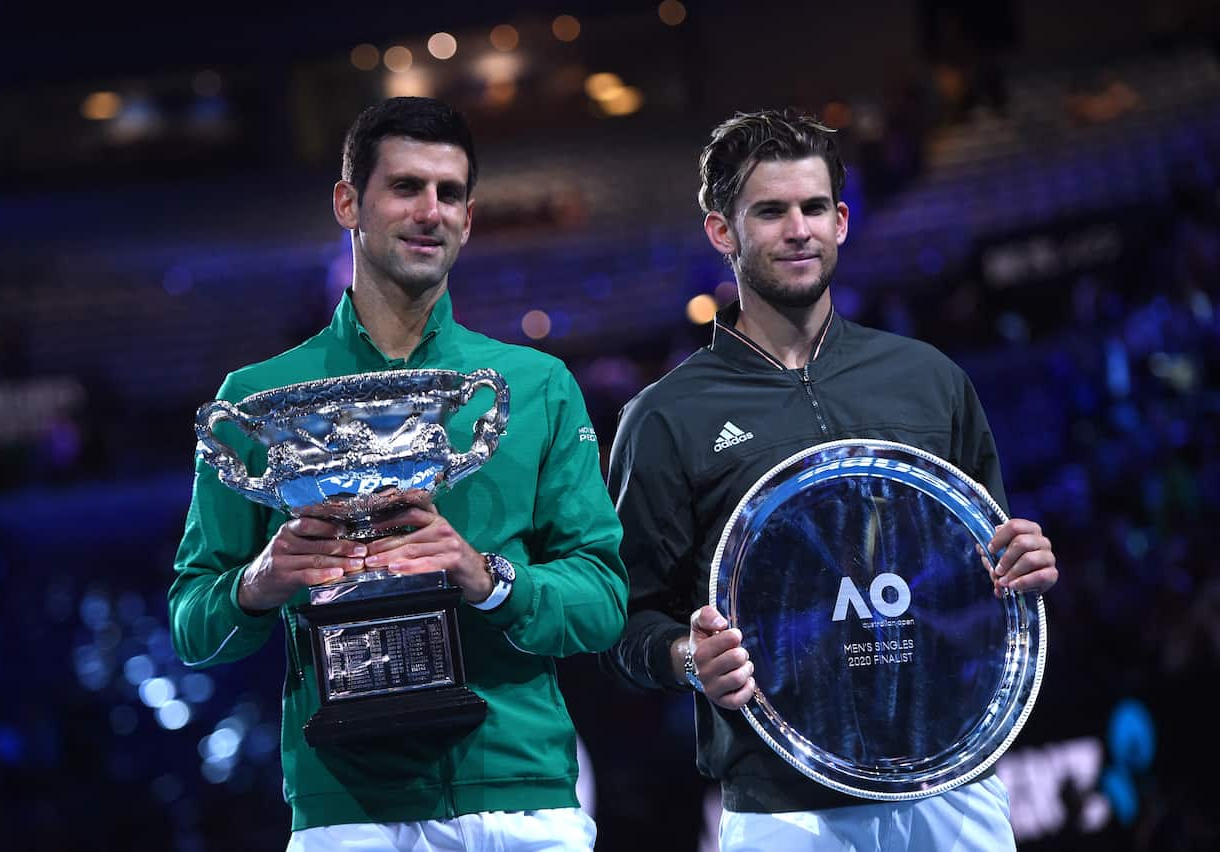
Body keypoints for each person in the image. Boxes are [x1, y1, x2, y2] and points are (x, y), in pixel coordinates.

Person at [169, 97, 627, 852]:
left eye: (450, 194)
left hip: (522, 796)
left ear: (470, 219)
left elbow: (604, 598)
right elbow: (193, 621)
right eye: (406, 187)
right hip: (346, 805)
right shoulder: (258, 401)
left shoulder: (533, 386)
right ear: (349, 202)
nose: (431, 211)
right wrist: (262, 580)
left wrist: (488, 578)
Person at [604, 109, 1058, 851]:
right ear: (724, 232)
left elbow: (983, 567)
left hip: (955, 787)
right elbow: (622, 622)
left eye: (815, 207)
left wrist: (1023, 563)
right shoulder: (666, 418)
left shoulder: (928, 379)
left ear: (842, 220)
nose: (799, 230)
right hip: (784, 806)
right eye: (771, 211)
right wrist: (690, 658)